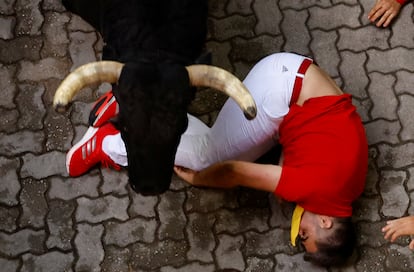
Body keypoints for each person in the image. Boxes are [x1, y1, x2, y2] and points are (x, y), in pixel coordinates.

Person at [66, 52, 368, 267]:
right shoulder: (312, 189)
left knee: (231, 146)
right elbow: (233, 171)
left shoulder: (350, 191)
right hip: (280, 87)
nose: (298, 230)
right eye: (307, 234)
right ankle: (109, 143)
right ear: (327, 221)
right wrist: (200, 179)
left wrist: (281, 171)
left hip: (296, 75)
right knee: (207, 156)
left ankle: (125, 103)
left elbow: (314, 146)